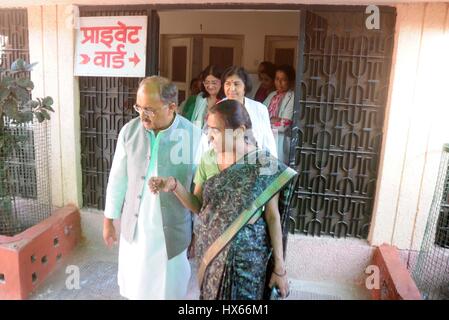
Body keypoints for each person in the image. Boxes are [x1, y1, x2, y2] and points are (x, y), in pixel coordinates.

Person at [149, 99, 297, 300]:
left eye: (216, 130)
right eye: (208, 129)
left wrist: (280, 268)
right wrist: (175, 186)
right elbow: (199, 206)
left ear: (238, 131)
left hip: (248, 261)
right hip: (211, 254)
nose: (209, 136)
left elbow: (272, 217)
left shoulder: (264, 163)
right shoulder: (209, 159)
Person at [102, 76, 202, 300]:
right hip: (135, 229)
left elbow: (199, 188)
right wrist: (109, 220)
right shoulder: (129, 131)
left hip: (173, 233)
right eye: (139, 107)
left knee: (169, 290)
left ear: (172, 107)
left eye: (150, 109)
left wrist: (196, 231)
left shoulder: (194, 136)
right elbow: (118, 178)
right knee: (136, 287)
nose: (142, 115)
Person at [221, 66, 277, 158]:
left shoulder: (259, 109)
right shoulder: (218, 109)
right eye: (227, 84)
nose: (232, 88)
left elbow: (268, 141)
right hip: (224, 163)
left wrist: (273, 166)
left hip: (254, 163)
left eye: (236, 84)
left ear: (245, 86)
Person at [263, 65, 295, 164]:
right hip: (266, 140)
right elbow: (259, 116)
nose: (279, 83)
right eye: (277, 79)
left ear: (290, 81)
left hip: (280, 141)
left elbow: (284, 125)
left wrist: (267, 121)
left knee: (279, 171)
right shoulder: (272, 95)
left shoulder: (292, 97)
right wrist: (273, 120)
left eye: (283, 79)